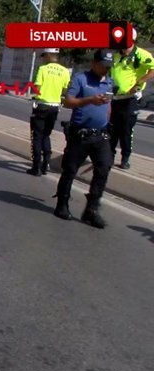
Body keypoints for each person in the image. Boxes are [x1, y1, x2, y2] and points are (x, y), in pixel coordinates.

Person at [53, 50, 115, 229]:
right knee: (70, 169)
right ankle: (62, 203)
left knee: (104, 167)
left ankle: (92, 209)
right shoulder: (81, 79)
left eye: (108, 66)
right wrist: (89, 100)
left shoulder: (109, 82)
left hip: (100, 135)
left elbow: (108, 105)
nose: (106, 69)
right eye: (103, 65)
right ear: (94, 63)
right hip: (80, 134)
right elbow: (68, 102)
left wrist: (107, 120)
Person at [109, 28, 154, 169]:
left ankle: (125, 158)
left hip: (130, 99)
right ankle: (109, 157)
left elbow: (152, 69)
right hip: (114, 98)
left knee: (126, 130)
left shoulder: (142, 54)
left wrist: (138, 83)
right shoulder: (116, 55)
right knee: (111, 130)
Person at [28, 48, 71, 176]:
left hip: (42, 106)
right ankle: (46, 164)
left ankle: (36, 166)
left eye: (44, 56)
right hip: (55, 107)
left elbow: (37, 88)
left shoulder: (43, 69)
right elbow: (65, 90)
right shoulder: (65, 71)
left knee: (37, 136)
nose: (43, 59)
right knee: (46, 135)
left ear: (48, 55)